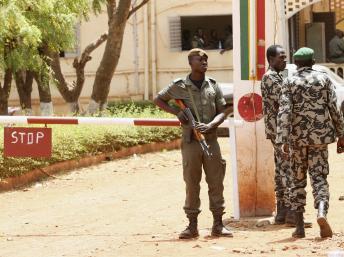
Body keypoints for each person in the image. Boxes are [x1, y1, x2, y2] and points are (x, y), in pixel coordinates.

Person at [154, 48, 233, 239]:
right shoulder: (179, 86)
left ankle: (218, 224)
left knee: (216, 182)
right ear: (191, 63)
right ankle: (192, 225)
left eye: (206, 60)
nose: (205, 62)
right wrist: (178, 113)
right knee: (192, 182)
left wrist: (212, 123)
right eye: (200, 60)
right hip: (191, 142)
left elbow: (224, 110)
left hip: (211, 141)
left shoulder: (213, 85)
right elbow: (158, 99)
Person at [276, 47, 344, 238]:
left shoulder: (289, 81)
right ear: (313, 62)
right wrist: (342, 134)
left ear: (296, 64)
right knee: (319, 178)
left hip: (297, 140)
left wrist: (283, 139)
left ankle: (299, 228)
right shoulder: (323, 79)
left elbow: (284, 111)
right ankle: (321, 212)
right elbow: (334, 108)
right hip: (320, 140)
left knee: (297, 181)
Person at [261, 45, 294, 225]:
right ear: (271, 60)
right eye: (281, 57)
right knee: (288, 169)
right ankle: (290, 212)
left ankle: (282, 212)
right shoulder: (270, 78)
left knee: (281, 169)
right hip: (279, 131)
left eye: (285, 56)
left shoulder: (281, 75)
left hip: (281, 130)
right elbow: (285, 100)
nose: (285, 60)